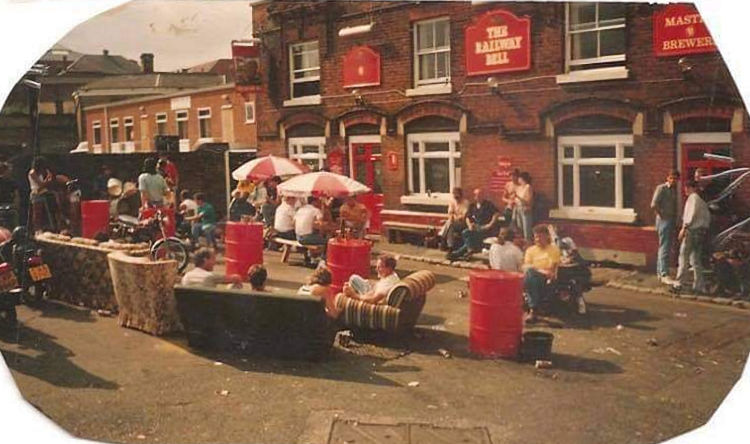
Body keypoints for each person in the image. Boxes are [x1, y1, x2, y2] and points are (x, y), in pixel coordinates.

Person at [672, 179, 711, 294]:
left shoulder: (693, 198)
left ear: (692, 188)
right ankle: (699, 285)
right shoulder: (702, 201)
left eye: (687, 187)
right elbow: (707, 218)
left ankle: (679, 284)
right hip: (700, 232)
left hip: (691, 231)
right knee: (696, 259)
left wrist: (684, 228)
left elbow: (690, 215)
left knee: (683, 256)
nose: (685, 190)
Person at [522, 225, 561, 323]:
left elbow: (551, 269)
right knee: (530, 275)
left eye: (540, 237)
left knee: (530, 276)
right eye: (536, 237)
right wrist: (540, 270)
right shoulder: (530, 250)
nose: (538, 239)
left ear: (547, 236)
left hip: (548, 279)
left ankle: (532, 311)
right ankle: (533, 308)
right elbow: (526, 266)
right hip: (533, 276)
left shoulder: (553, 249)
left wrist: (537, 270)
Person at [447, 188, 500, 260]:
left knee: (466, 233)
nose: (477, 196)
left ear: (483, 195)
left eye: (479, 195)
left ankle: (457, 254)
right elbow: (468, 217)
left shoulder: (488, 204)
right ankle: (467, 251)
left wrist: (490, 224)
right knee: (469, 236)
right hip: (475, 228)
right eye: (476, 195)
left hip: (485, 228)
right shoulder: (473, 205)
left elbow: (496, 214)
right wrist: (469, 225)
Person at [651, 169, 680, 284]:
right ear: (667, 178)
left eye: (675, 179)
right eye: (671, 178)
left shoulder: (674, 190)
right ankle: (664, 273)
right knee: (664, 247)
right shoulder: (661, 188)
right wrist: (662, 216)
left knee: (665, 246)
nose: (673, 181)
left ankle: (660, 273)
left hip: (671, 220)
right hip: (664, 221)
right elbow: (654, 204)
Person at [28, 156, 58, 232]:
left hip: (42, 192)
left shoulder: (40, 172)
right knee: (37, 212)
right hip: (36, 192)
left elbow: (44, 184)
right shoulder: (32, 172)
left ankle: (42, 227)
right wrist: (48, 178)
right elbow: (40, 184)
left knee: (41, 212)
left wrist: (48, 179)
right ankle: (36, 229)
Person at [515, 172, 534, 241]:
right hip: (518, 208)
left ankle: (527, 242)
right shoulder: (519, 188)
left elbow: (529, 201)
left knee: (526, 228)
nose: (518, 179)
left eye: (519, 178)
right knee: (520, 227)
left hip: (525, 208)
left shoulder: (528, 187)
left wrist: (518, 197)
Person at [0, 161, 19, 228]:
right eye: (9, 170)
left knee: (13, 215)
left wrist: (15, 204)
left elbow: (16, 194)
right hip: (1, 204)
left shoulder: (12, 182)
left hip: (9, 205)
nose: (11, 172)